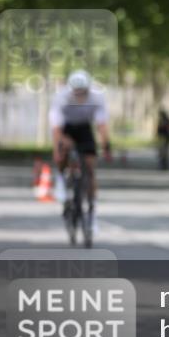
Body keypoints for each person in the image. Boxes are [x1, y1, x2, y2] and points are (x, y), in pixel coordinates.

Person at [50, 70, 110, 227]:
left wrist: (106, 145)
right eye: (76, 92)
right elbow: (56, 129)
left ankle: (91, 209)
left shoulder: (97, 98)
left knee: (90, 166)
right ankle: (62, 181)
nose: (79, 95)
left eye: (82, 92)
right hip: (66, 128)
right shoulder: (61, 98)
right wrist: (58, 150)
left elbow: (101, 125)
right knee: (63, 152)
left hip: (84, 128)